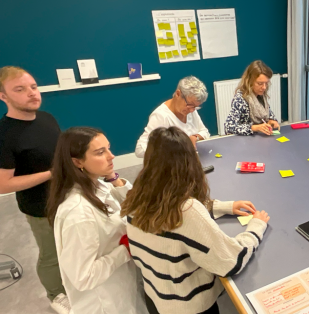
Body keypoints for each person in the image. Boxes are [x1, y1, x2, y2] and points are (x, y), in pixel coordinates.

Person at [121, 126, 270, 314]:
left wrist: (223, 206)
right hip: (189, 306)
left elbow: (166, 208)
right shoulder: (188, 211)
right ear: (189, 161)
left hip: (155, 297)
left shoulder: (136, 196)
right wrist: (256, 227)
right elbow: (232, 261)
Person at [47, 127, 147, 314]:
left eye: (108, 148)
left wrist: (114, 179)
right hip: (104, 303)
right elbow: (83, 277)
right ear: (77, 162)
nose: (112, 156)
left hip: (121, 284)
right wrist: (125, 250)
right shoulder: (78, 214)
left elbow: (132, 204)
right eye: (101, 153)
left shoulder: (97, 184)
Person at [0, 66, 71, 314]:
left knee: (72, 245)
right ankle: (56, 294)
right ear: (3, 96)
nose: (31, 93)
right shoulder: (4, 134)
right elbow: (3, 184)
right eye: (19, 89)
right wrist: (52, 173)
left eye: (33, 87)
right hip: (40, 206)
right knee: (51, 253)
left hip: (68, 197)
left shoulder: (47, 118)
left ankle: (73, 283)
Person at [135, 76, 211, 157]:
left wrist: (195, 137)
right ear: (178, 94)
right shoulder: (161, 116)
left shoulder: (191, 110)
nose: (192, 110)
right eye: (190, 105)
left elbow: (205, 132)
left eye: (196, 107)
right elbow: (139, 150)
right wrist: (175, 146)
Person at [224, 60, 280, 135]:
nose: (264, 87)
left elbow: (268, 115)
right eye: (260, 83)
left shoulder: (261, 95)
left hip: (259, 139)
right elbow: (228, 127)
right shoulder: (241, 99)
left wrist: (272, 121)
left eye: (266, 83)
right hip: (244, 141)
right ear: (249, 81)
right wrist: (255, 128)